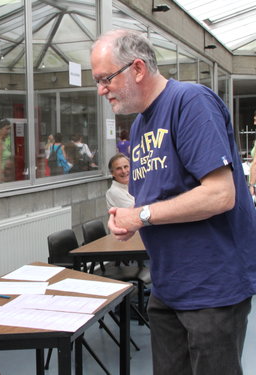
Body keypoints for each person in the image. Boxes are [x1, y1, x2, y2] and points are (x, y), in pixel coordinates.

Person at [91, 29, 256, 375]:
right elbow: (149, 196)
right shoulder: (138, 127)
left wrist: (143, 215)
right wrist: (126, 219)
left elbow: (220, 194)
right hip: (168, 285)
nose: (101, 90)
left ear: (137, 69)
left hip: (212, 287)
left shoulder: (190, 102)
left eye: (105, 79)